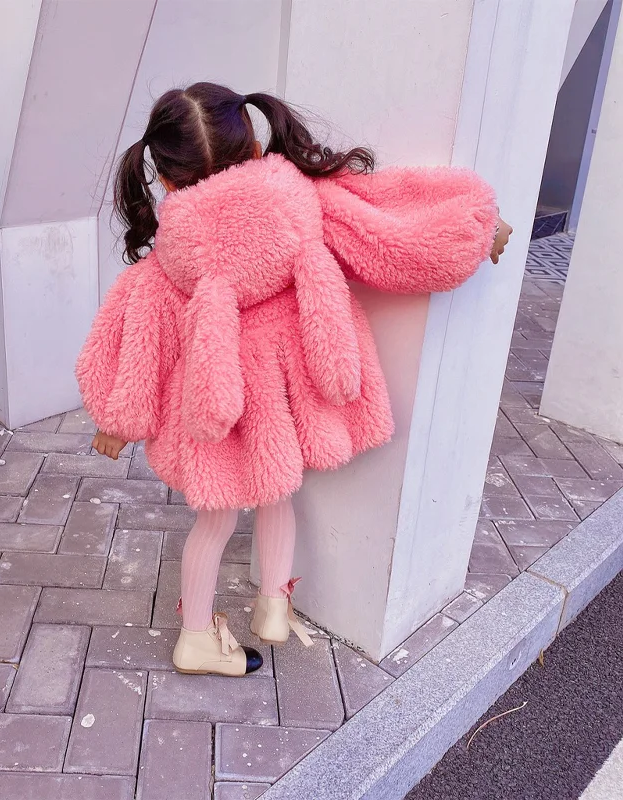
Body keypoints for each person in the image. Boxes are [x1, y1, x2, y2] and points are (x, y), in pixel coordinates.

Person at [76, 82, 512, 677]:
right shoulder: (302, 201)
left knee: (215, 521)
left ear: (167, 180)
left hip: (212, 412)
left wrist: (117, 421)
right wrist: (478, 230)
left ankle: (196, 636)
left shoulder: (168, 261)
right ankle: (273, 606)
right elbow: (392, 236)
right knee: (278, 494)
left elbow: (135, 341)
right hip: (278, 401)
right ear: (255, 147)